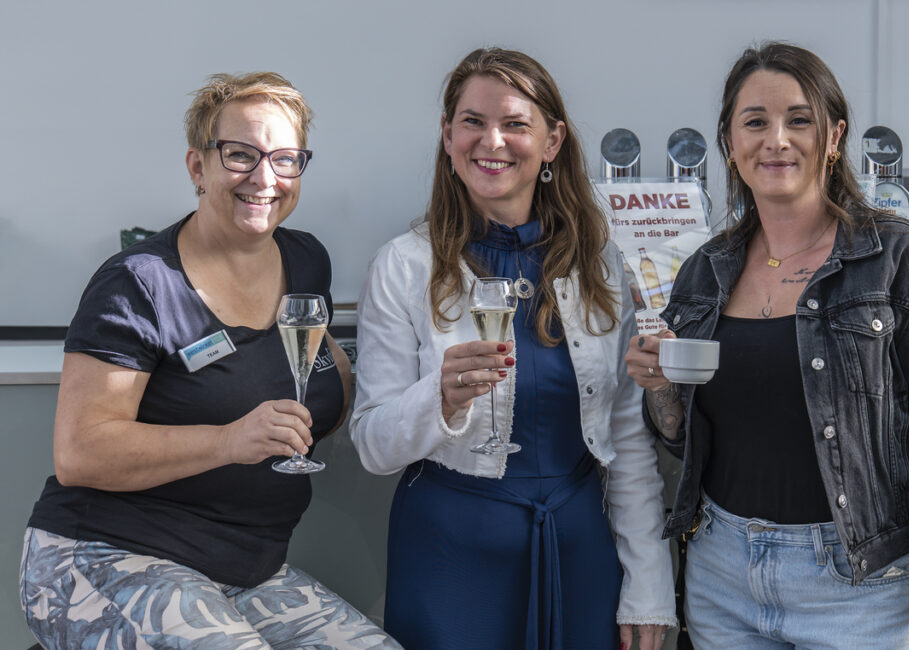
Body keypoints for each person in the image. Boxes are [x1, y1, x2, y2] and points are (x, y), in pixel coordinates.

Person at [626, 41, 909, 649]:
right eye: (755, 122)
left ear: (834, 136)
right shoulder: (704, 272)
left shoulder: (902, 261)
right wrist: (659, 387)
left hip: (865, 589)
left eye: (799, 120)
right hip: (723, 577)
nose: (776, 140)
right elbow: (685, 440)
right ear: (730, 142)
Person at [19, 72, 399, 649]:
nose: (265, 178)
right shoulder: (140, 283)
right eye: (240, 155)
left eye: (285, 158)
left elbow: (314, 377)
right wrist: (229, 440)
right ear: (198, 166)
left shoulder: (305, 260)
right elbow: (80, 453)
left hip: (247, 570)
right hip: (105, 556)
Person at [351, 48, 676, 650]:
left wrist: (649, 586)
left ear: (552, 142)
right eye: (472, 122)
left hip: (580, 548)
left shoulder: (599, 263)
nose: (491, 141)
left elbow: (628, 439)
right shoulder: (403, 264)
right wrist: (438, 400)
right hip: (448, 559)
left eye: (515, 124)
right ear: (448, 136)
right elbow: (372, 446)